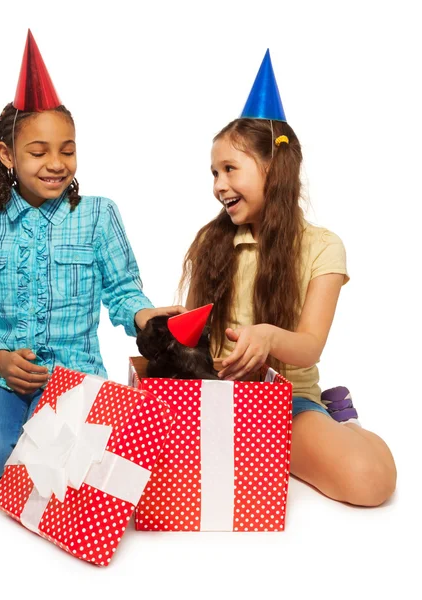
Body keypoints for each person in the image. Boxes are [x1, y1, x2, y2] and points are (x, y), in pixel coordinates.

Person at [0, 30, 184, 483]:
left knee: (82, 468)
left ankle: (44, 443)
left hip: (76, 374)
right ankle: (2, 427)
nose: (56, 163)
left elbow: (122, 289)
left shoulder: (97, 215)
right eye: (39, 152)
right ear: (7, 154)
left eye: (67, 150)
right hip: (4, 377)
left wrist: (145, 316)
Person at [179, 50, 396, 506]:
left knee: (370, 480)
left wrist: (269, 338)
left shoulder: (322, 247)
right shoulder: (212, 244)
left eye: (230, 169)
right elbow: (194, 332)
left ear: (274, 169)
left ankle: (344, 419)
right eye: (214, 173)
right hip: (216, 399)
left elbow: (310, 344)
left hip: (284, 402)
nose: (218, 185)